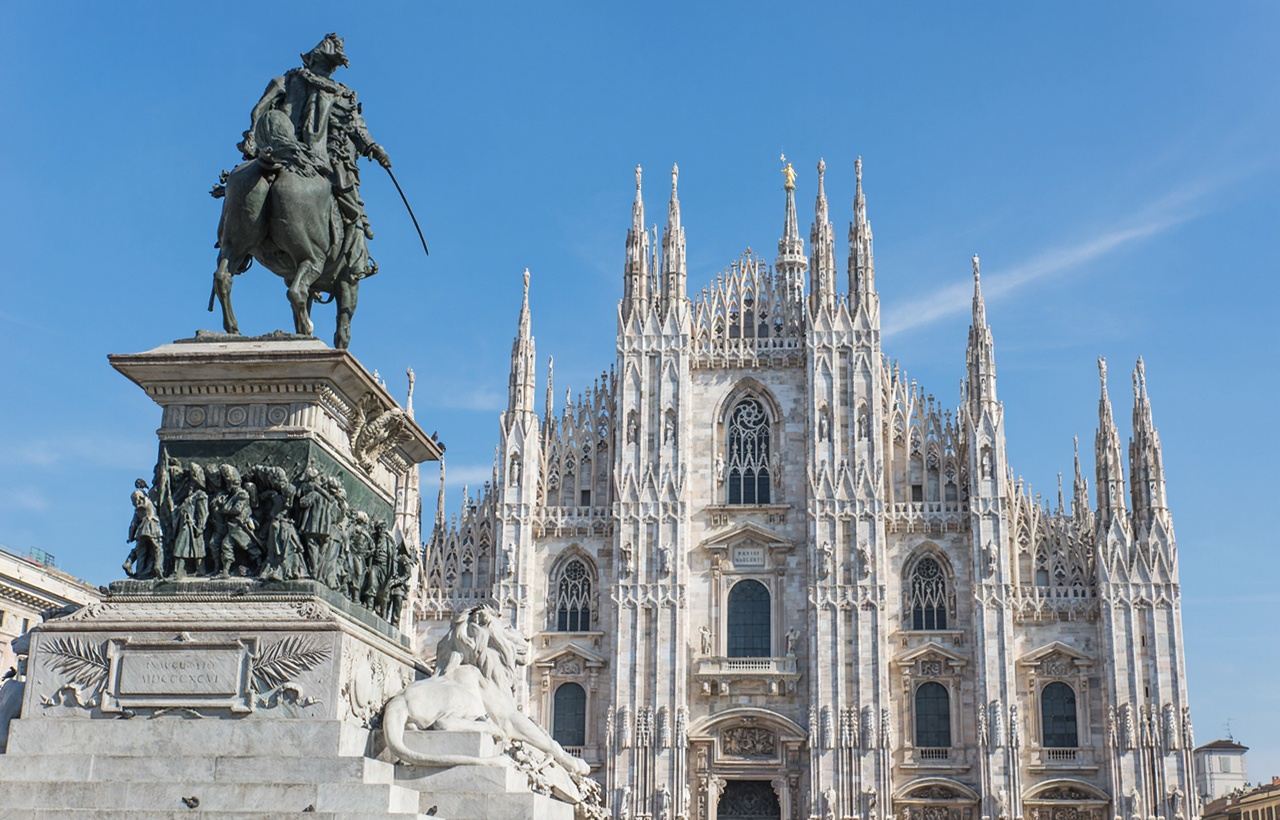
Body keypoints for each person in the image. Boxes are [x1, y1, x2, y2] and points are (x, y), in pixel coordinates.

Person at [237, 33, 390, 275]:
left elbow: (260, 109)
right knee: (353, 210)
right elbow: (358, 131)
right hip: (327, 158)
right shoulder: (342, 93)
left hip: (281, 149)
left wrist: (253, 138)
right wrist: (375, 149)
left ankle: (236, 246)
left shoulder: (288, 79)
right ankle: (354, 265)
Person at [170, 463, 209, 578]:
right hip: (185, 524)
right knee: (183, 547)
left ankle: (191, 569)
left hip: (192, 526)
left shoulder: (201, 495)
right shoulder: (191, 495)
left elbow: (203, 513)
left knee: (187, 547)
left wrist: (200, 527)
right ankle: (180, 570)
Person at [124, 489, 164, 579]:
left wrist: (130, 537)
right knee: (158, 548)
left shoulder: (138, 509)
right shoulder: (150, 503)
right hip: (153, 529)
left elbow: (133, 524)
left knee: (140, 551)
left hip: (141, 531)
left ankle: (138, 571)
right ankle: (158, 566)